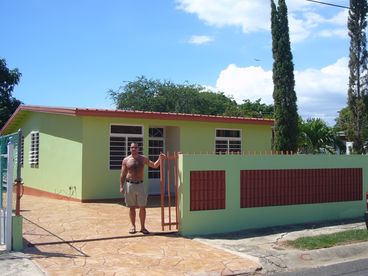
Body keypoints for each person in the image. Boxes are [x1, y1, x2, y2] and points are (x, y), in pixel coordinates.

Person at [120, 142, 164, 234]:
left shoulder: (143, 159)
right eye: (132, 147)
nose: (134, 149)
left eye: (135, 147)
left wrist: (160, 159)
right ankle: (133, 226)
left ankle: (143, 227)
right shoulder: (126, 160)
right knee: (131, 207)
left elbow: (154, 165)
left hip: (140, 185)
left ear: (138, 149)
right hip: (129, 185)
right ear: (130, 149)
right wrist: (121, 186)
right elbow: (123, 174)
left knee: (142, 207)